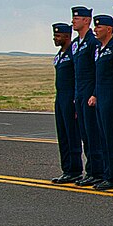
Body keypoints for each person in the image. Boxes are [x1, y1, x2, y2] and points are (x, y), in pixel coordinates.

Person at [89, 15, 113, 191]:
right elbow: (98, 76)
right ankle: (107, 173)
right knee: (103, 137)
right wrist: (95, 94)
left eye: (99, 27)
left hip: (112, 96)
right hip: (101, 96)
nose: (95, 30)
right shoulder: (98, 48)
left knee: (111, 137)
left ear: (109, 30)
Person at [70, 6, 106, 187]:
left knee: (93, 134)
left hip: (90, 93)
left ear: (86, 20)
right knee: (85, 134)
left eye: (77, 18)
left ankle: (97, 171)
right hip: (80, 93)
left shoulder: (93, 42)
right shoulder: (77, 43)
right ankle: (90, 170)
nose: (73, 21)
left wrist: (94, 93)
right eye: (73, 18)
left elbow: (96, 70)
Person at [50, 23, 83, 184]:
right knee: (62, 135)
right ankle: (67, 169)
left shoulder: (73, 52)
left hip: (70, 97)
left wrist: (76, 100)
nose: (55, 38)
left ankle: (75, 169)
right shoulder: (61, 54)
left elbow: (77, 76)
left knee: (72, 135)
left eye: (58, 36)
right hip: (60, 97)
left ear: (67, 36)